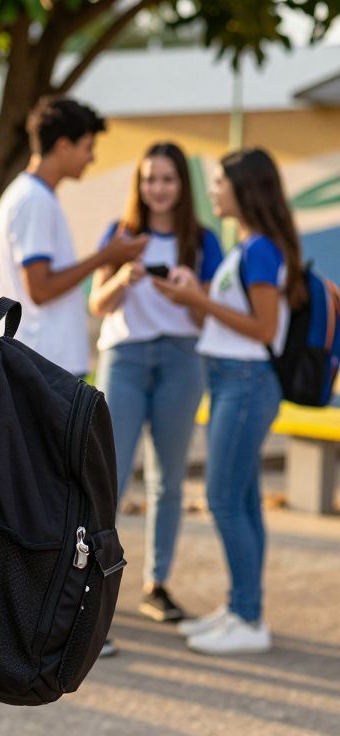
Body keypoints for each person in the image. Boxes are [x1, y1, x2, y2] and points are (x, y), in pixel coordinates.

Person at [155, 148, 305, 655]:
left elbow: (263, 328)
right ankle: (242, 607)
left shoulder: (260, 250)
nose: (212, 190)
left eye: (220, 182)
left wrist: (198, 299)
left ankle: (248, 617)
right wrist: (195, 295)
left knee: (222, 498)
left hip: (245, 381)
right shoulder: (249, 247)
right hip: (233, 380)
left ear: (246, 189)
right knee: (241, 500)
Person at [90, 144, 223, 657]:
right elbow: (97, 303)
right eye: (150, 179)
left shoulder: (203, 241)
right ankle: (96, 589)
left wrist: (188, 292)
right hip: (124, 359)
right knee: (110, 479)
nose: (158, 188)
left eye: (168, 179)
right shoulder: (120, 235)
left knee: (169, 479)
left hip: (181, 360)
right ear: (139, 184)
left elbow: (206, 316)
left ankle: (157, 584)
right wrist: (123, 278)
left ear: (182, 185)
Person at [0, 96, 149, 377]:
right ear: (64, 146)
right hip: (44, 364)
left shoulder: (35, 195)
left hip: (43, 362)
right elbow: (40, 289)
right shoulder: (33, 199)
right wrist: (105, 256)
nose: (92, 158)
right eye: (87, 147)